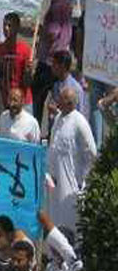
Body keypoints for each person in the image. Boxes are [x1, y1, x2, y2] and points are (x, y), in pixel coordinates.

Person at [47, 86, 98, 229]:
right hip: (55, 184)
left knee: (70, 225)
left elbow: (91, 153)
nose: (58, 101)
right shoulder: (58, 118)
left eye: (61, 99)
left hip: (72, 186)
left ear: (70, 103)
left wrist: (83, 181)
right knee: (55, 222)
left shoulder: (79, 122)